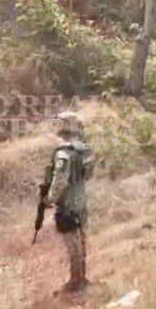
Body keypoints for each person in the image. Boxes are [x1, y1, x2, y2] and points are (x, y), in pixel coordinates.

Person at [43, 112, 93, 294]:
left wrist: (50, 199)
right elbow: (88, 174)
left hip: (68, 204)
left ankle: (75, 283)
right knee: (80, 239)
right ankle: (82, 278)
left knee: (72, 243)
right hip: (81, 199)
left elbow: (60, 180)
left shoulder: (63, 153)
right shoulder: (84, 149)